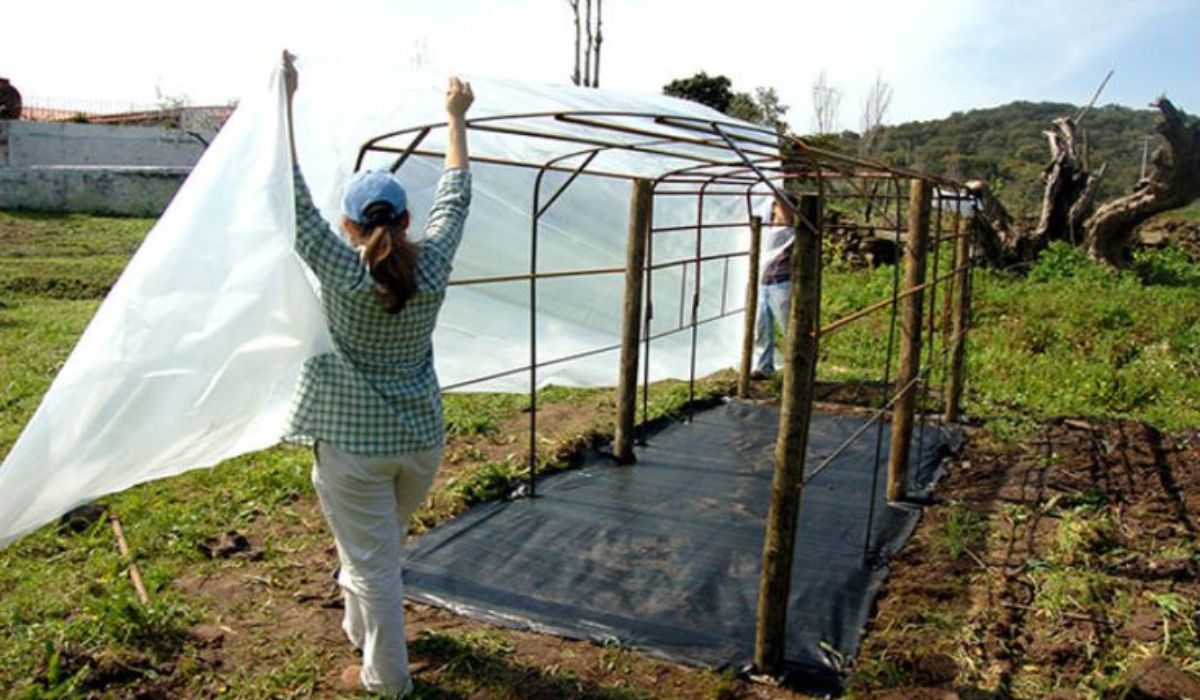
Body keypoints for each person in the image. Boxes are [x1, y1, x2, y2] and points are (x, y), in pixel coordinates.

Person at [281, 51, 473, 696]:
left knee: (376, 562)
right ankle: (358, 630)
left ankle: (387, 680)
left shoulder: (341, 269)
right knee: (376, 550)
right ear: (406, 220)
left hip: (355, 450)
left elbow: (289, 194)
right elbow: (457, 192)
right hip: (420, 442)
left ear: (349, 226)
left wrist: (283, 102)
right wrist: (455, 117)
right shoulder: (435, 260)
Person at [751, 196, 795, 379]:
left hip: (782, 283)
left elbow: (789, 215)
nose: (775, 210)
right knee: (761, 328)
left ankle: (796, 369)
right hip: (763, 284)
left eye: (777, 207)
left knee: (789, 328)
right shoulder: (766, 230)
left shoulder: (789, 230)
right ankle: (763, 367)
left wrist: (775, 190)